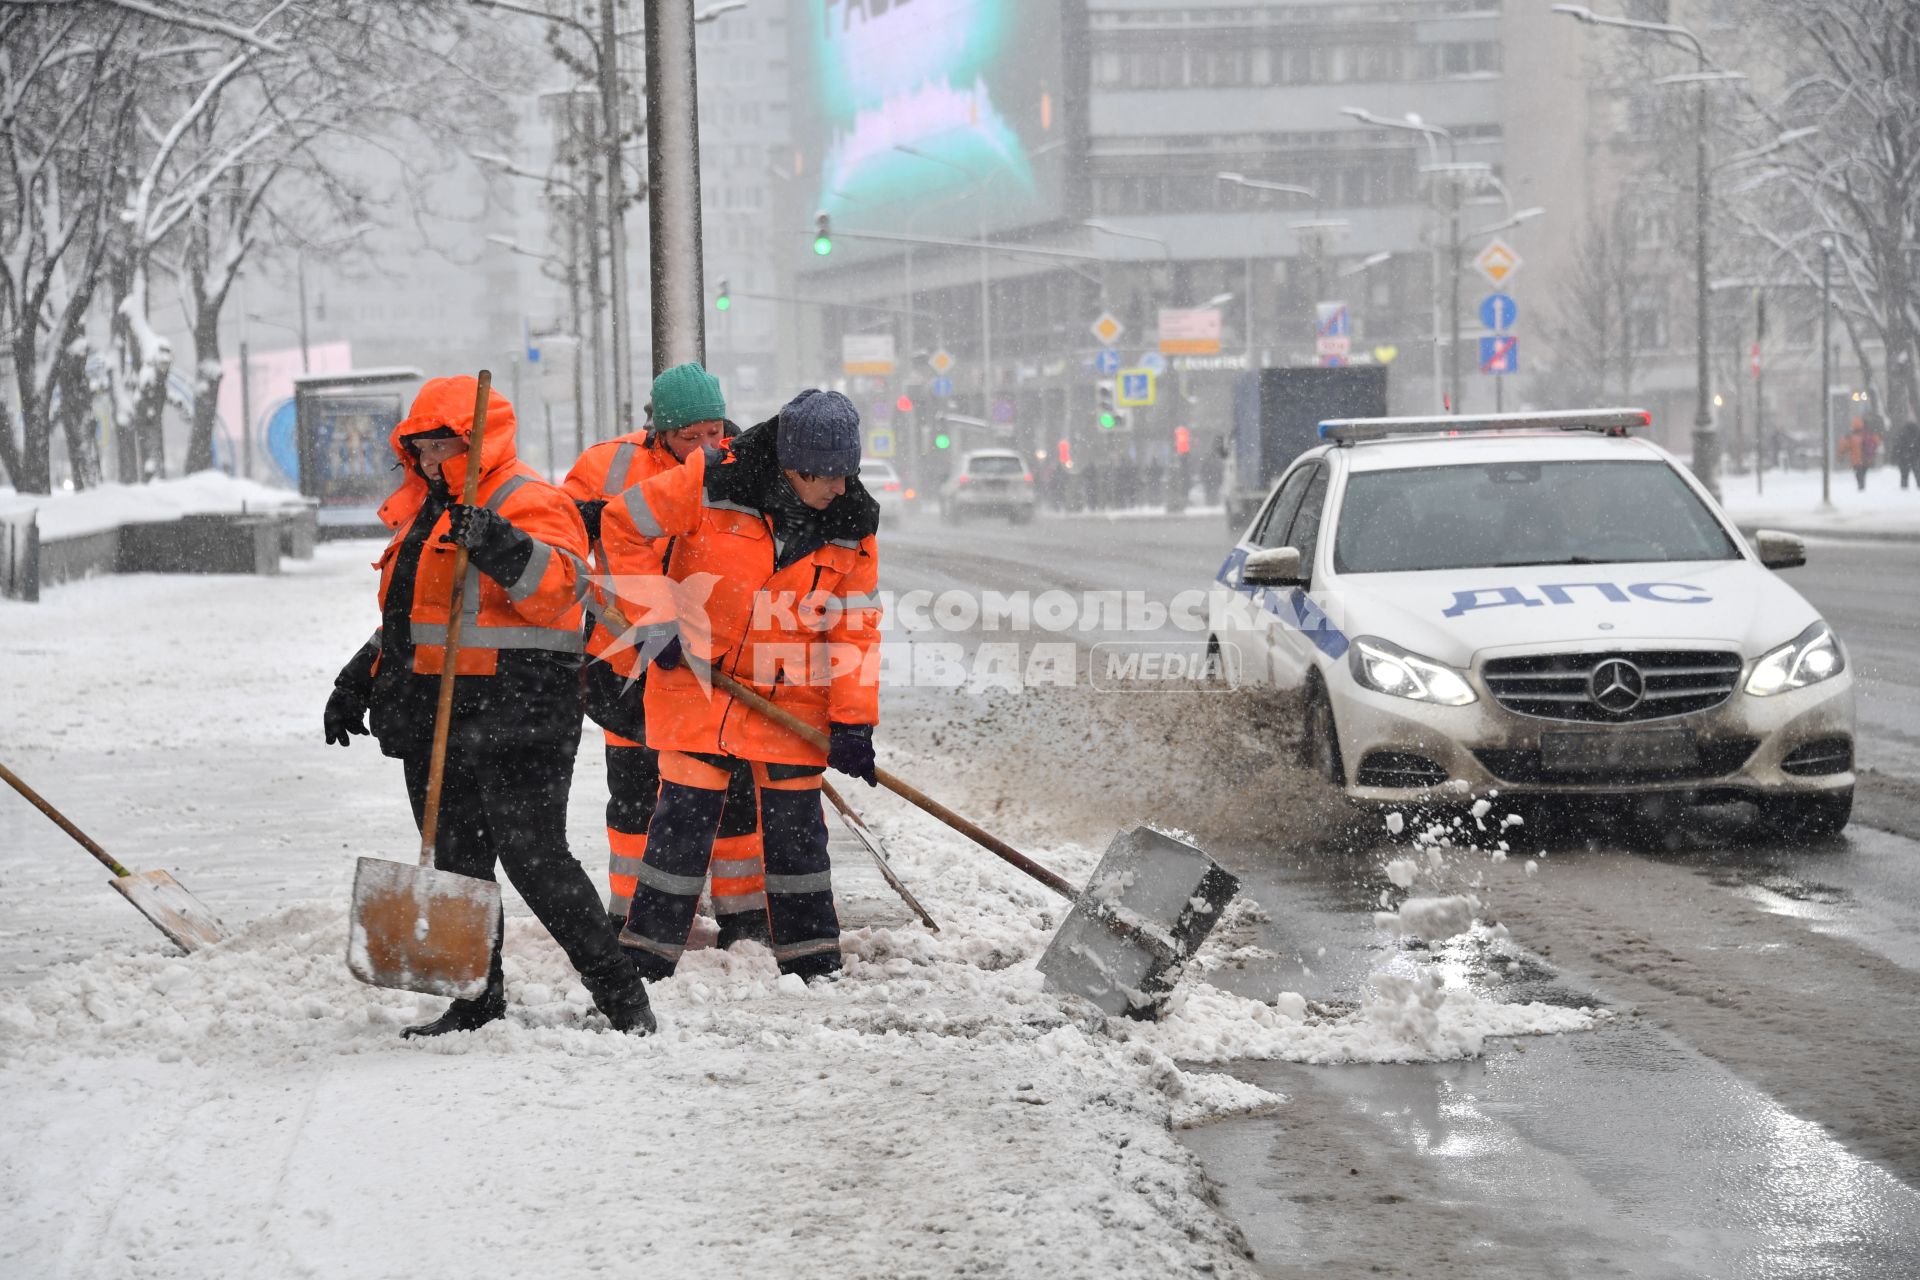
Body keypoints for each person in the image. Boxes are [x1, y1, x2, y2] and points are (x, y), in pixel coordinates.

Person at [323, 374, 655, 1038]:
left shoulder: (529, 500)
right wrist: (357, 679)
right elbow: (412, 615)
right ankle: (476, 999)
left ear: (476, 442)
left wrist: (501, 544)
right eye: (417, 449)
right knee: (459, 866)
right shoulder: (426, 508)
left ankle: (623, 998)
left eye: (441, 446)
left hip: (521, 715)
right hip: (434, 716)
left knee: (537, 860)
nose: (427, 461)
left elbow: (564, 593)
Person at [600, 388, 881, 984]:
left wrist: (855, 720)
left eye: (847, 474)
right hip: (700, 683)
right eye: (827, 476)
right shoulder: (711, 479)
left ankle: (811, 960)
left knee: (797, 832)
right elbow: (621, 525)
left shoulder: (854, 525)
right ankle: (646, 959)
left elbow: (854, 629)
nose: (839, 489)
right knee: (682, 821)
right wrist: (657, 619)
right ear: (792, 467)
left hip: (790, 699)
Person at [563, 363, 767, 946]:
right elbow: (556, 535)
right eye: (690, 437)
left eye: (714, 432)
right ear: (660, 431)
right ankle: (629, 912)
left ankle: (745, 916)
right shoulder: (608, 465)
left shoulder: (742, 467)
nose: (706, 446)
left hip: (716, 668)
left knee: (732, 793)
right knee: (634, 794)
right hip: (623, 666)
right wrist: (585, 522)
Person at [1837, 416, 1882, 491]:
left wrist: (1841, 454)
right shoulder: (1867, 434)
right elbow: (1877, 441)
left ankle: (1861, 489)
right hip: (1866, 460)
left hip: (1856, 461)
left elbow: (1843, 446)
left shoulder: (1851, 436)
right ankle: (1862, 489)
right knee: (1863, 475)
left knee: (1859, 476)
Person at [1893, 418, 1920, 491]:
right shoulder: (1917, 431)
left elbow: (1898, 445)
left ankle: (1904, 489)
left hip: (1904, 457)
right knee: (1917, 474)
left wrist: (1898, 455)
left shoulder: (1902, 432)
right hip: (1915, 457)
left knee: (1904, 475)